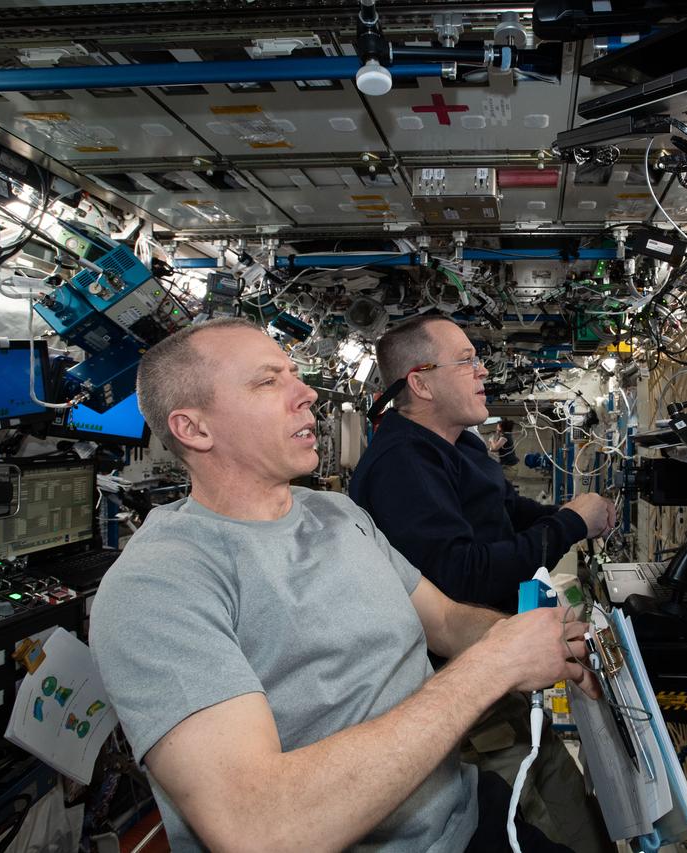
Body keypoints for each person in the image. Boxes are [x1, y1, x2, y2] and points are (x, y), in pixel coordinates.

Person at [89, 318, 599, 852]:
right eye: (268, 382)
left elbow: (446, 620)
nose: (306, 393)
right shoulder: (158, 585)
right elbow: (258, 827)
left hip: (464, 813)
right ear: (194, 429)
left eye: (295, 374)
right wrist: (493, 666)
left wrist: (538, 639)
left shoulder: (335, 512)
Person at [350, 315, 617, 613]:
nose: (483, 371)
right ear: (421, 384)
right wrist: (571, 524)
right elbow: (465, 578)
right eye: (466, 362)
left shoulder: (462, 443)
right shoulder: (401, 465)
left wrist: (573, 513)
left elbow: (508, 511)